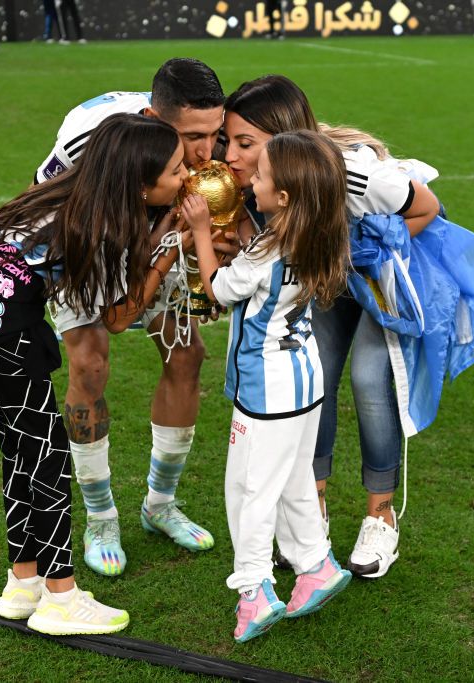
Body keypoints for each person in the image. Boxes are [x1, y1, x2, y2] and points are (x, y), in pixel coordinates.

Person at [0, 113, 190, 635]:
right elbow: (119, 317)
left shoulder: (68, 191)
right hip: (6, 332)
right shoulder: (98, 226)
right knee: (48, 462)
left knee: (20, 453)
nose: (185, 177)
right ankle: (61, 597)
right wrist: (169, 244)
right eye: (174, 171)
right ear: (139, 183)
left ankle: (24, 582)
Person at [222, 75, 441, 580]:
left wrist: (350, 258)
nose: (230, 156)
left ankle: (380, 514)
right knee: (313, 371)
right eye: (228, 141)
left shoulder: (357, 175)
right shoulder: (262, 178)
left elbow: (425, 208)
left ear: (282, 139)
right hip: (330, 271)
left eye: (245, 144)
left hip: (387, 269)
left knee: (368, 377)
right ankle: (312, 508)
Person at [33, 58, 227, 578]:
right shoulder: (85, 145)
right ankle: (101, 518)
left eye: (215, 133)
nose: (208, 151)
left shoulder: (205, 143)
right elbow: (118, 315)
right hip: (81, 232)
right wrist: (152, 250)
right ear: (151, 118)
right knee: (90, 363)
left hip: (159, 220)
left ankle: (159, 505)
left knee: (187, 354)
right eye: (192, 137)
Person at [180, 130, 352, 643]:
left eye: (259, 177)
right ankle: (315, 564)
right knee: (295, 480)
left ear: (285, 197)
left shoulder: (267, 247)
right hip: (306, 381)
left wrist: (202, 232)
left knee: (248, 491)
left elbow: (220, 289)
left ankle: (253, 592)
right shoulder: (322, 232)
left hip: (268, 388)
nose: (249, 181)